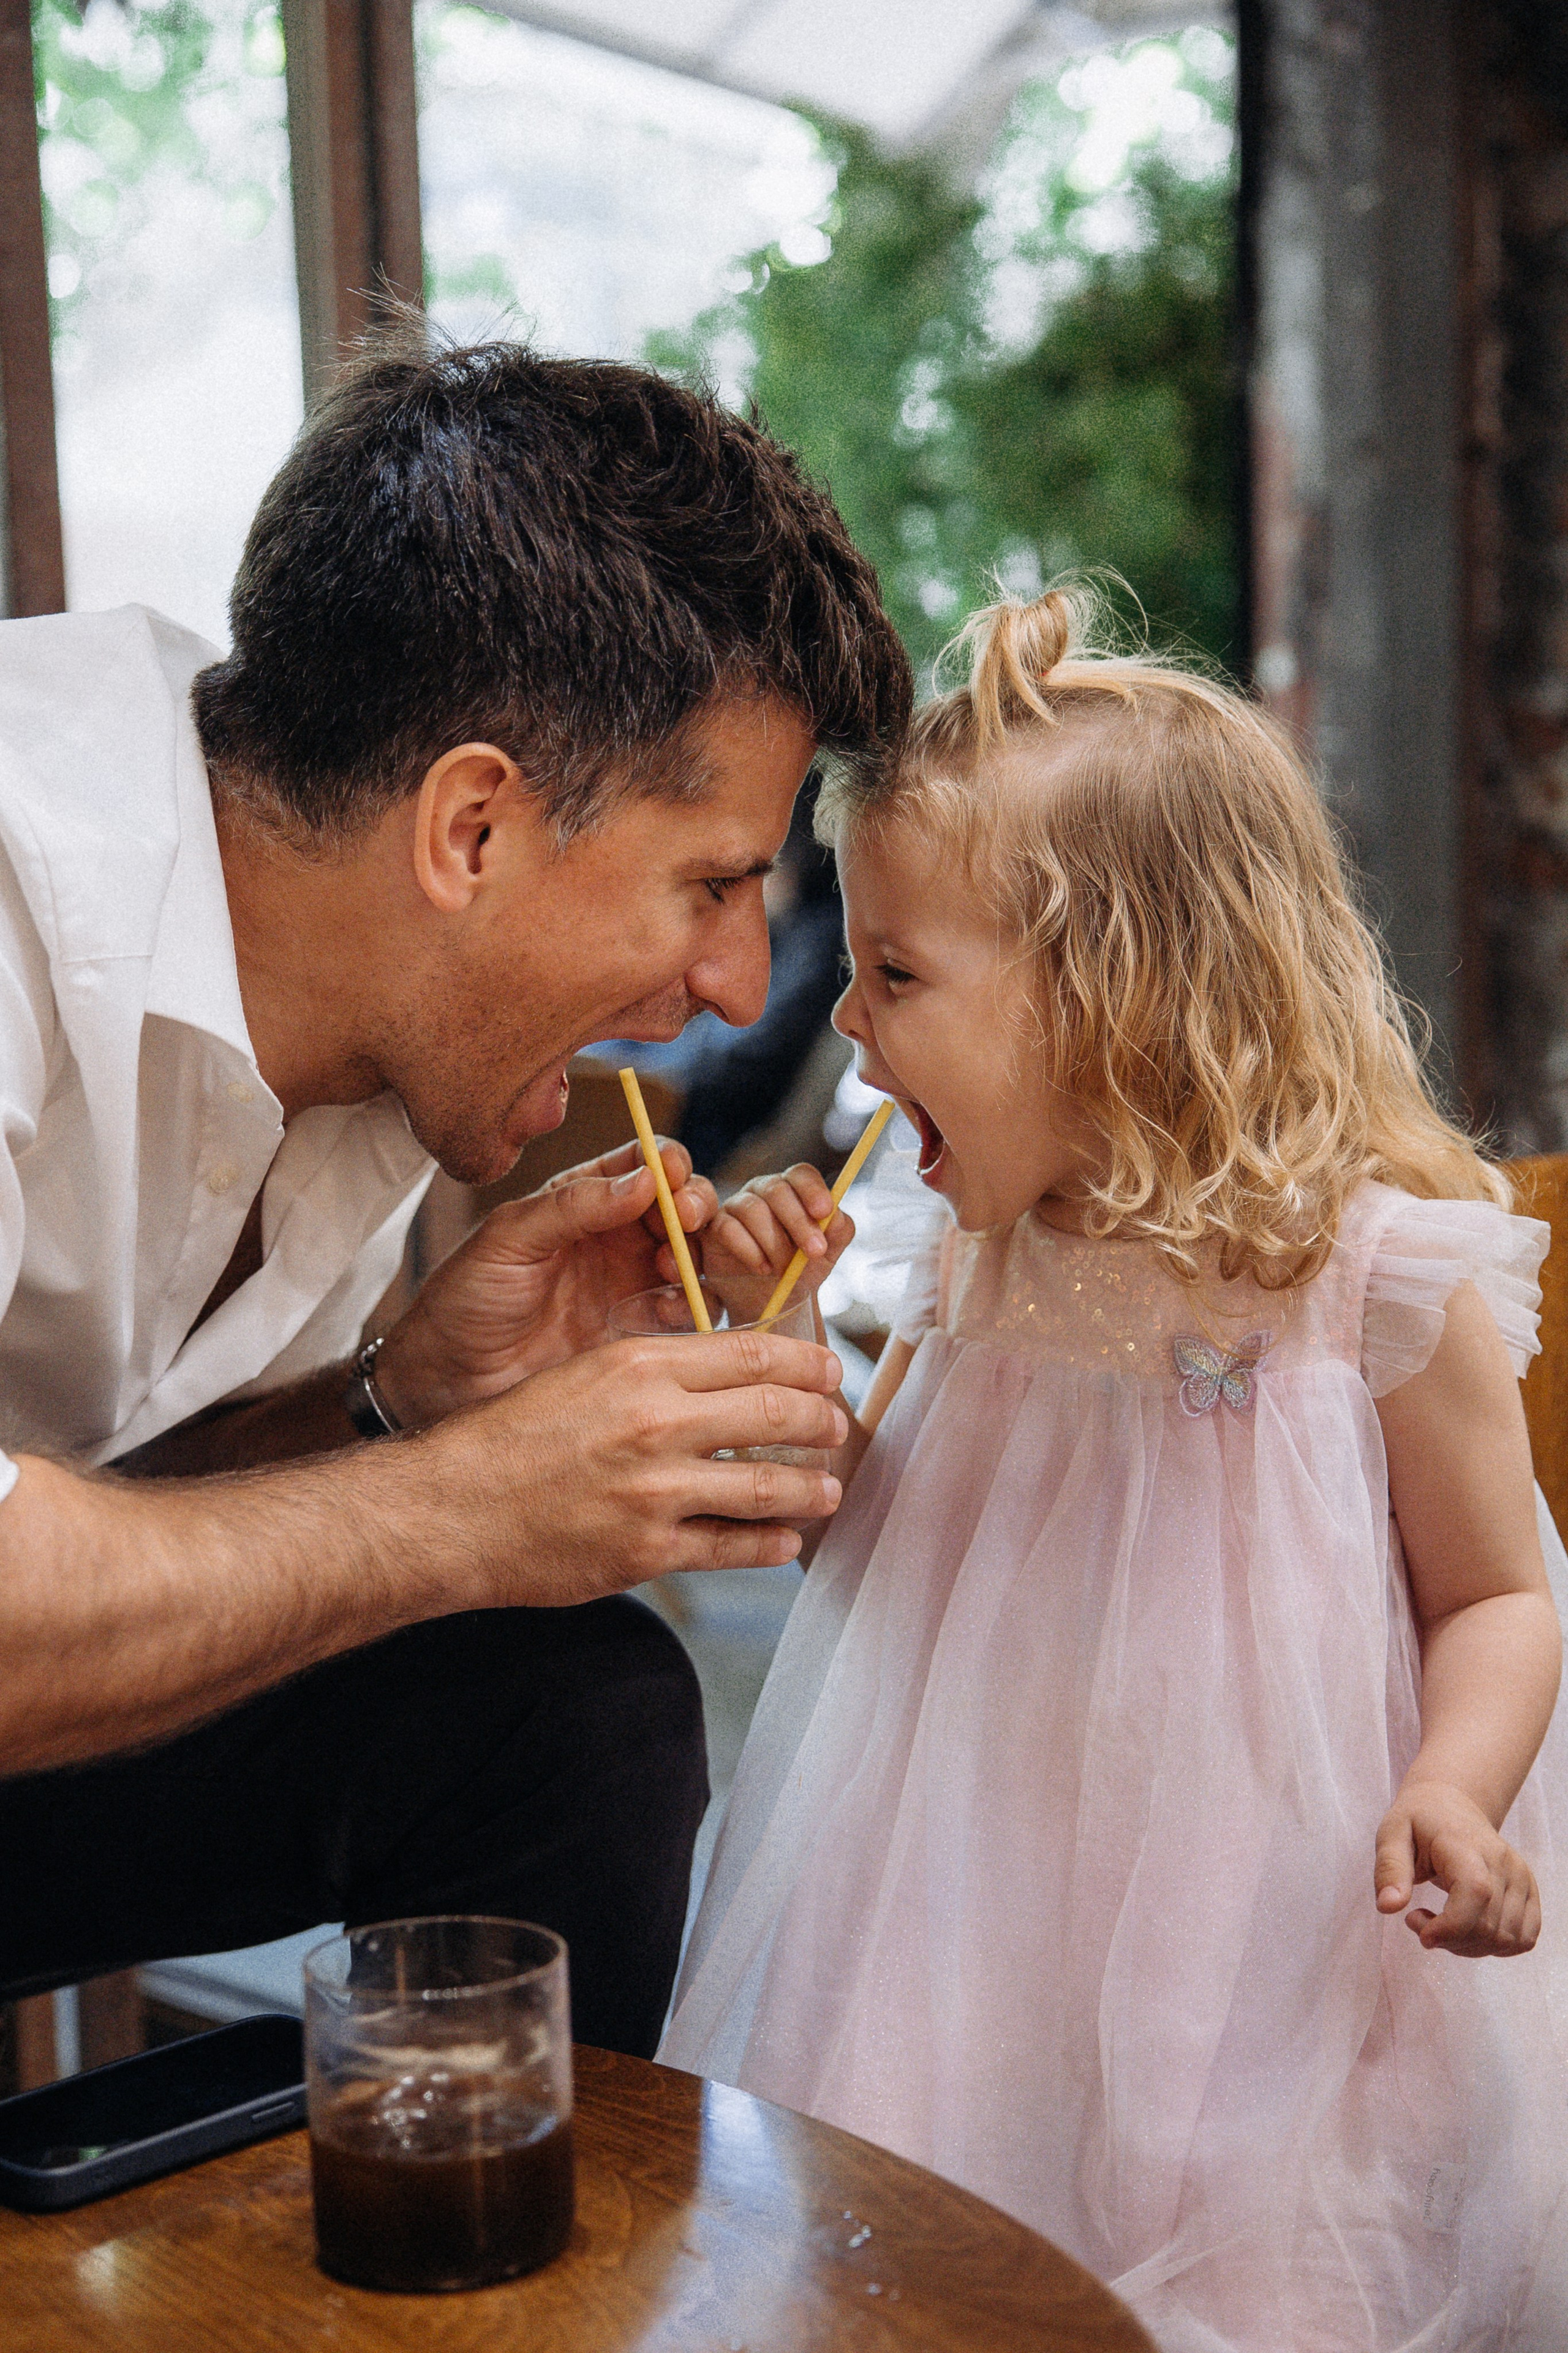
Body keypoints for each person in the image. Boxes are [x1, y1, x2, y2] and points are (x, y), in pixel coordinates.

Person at [660, 586, 1568, 2344]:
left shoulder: (1362, 1279)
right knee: (929, 2267)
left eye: (898, 973)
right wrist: (784, 1395)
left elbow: (1500, 1590)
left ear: (1124, 994)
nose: (841, 1021)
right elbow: (890, 1552)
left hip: (1288, 1951)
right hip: (965, 1910)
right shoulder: (964, 1246)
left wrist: (1461, 1781)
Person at [0, 337, 910, 2058]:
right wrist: (462, 1501)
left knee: (573, 1707)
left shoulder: (376, 1023)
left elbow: (97, 1505)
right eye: (713, 883)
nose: (737, 984)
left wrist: (395, 1403)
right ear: (473, 829)